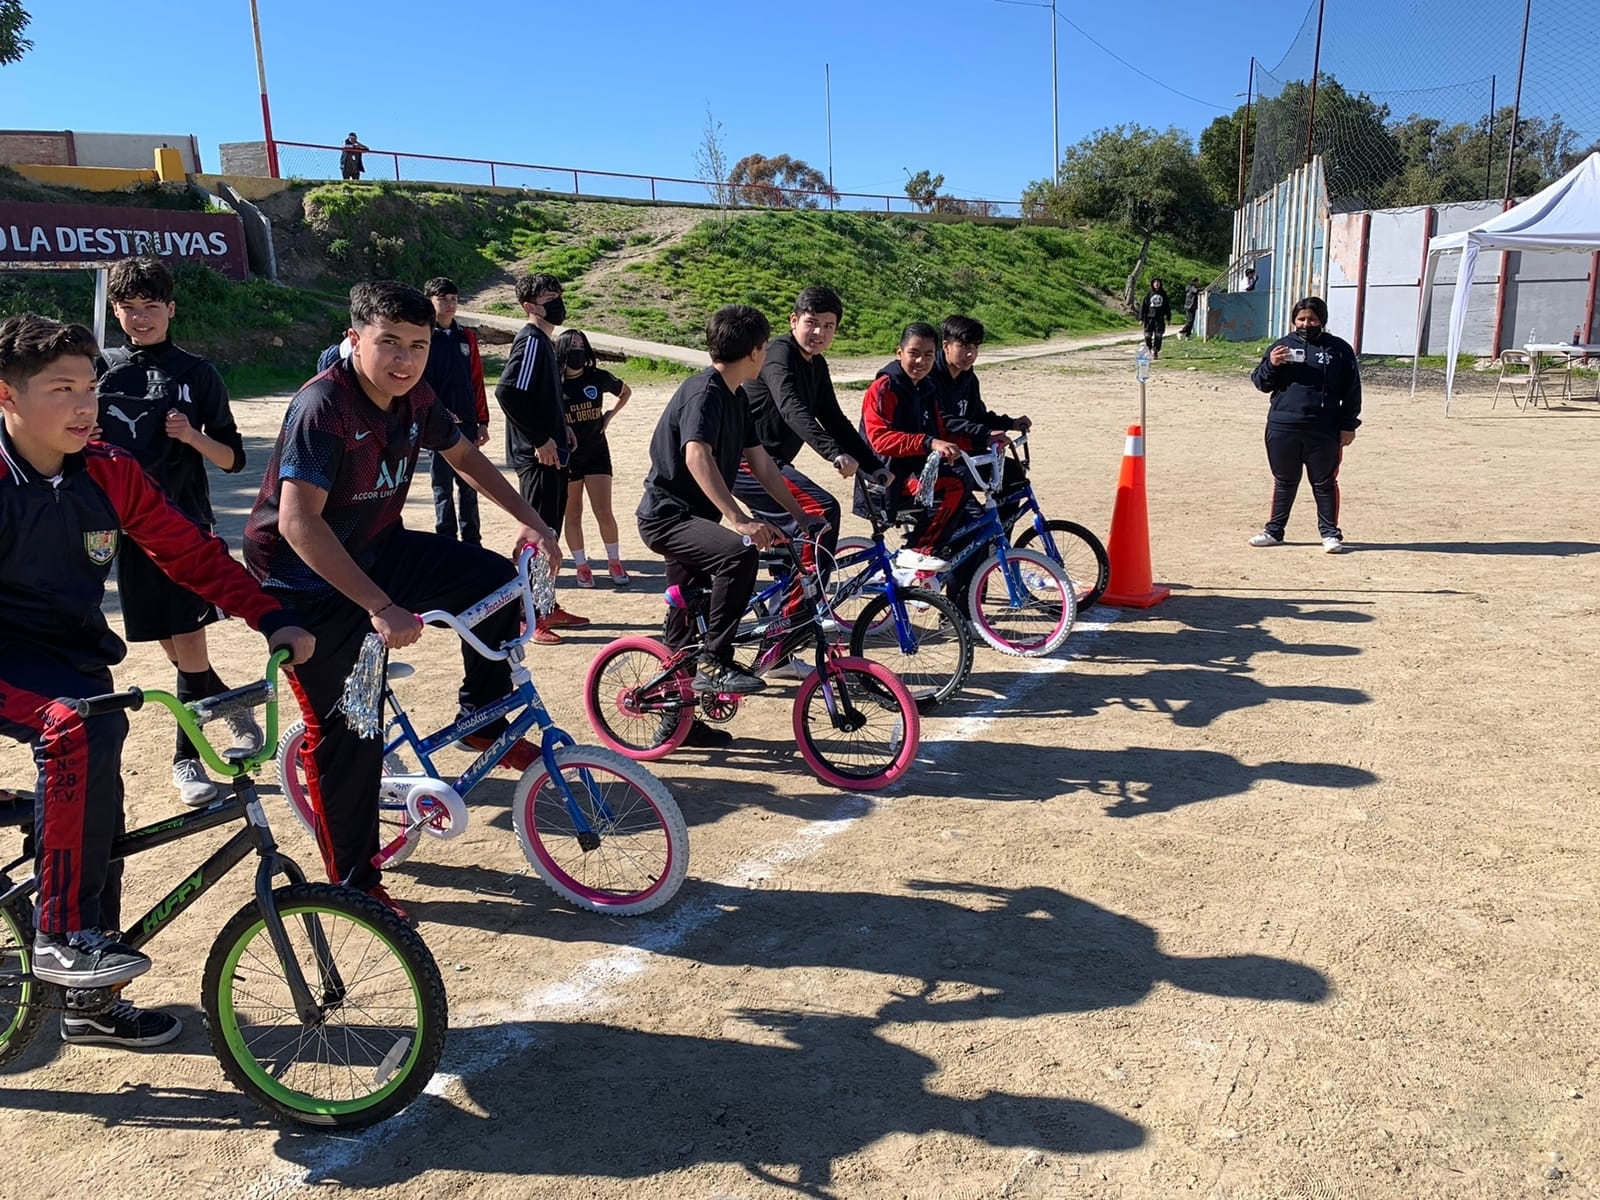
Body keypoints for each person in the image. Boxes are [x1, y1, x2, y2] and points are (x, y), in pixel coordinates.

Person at [0, 313, 313, 1048]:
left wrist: (270, 619)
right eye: (62, 390)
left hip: (69, 658)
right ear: (7, 397)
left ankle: (90, 1001)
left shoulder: (107, 469)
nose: (85, 406)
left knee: (96, 799)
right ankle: (60, 935)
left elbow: (191, 555)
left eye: (91, 388)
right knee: (71, 729)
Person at [243, 281, 560, 923]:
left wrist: (535, 520)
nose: (404, 359)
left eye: (417, 345)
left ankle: (485, 716)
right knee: (351, 732)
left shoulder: (414, 396)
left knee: (496, 583)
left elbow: (465, 456)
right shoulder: (322, 406)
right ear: (356, 338)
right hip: (305, 578)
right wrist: (380, 606)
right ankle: (354, 881)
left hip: (376, 546)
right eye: (389, 342)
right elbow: (300, 525)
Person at [95, 256, 259, 807]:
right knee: (171, 643)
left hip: (183, 525)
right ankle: (233, 704)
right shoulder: (99, 370)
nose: (141, 319)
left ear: (171, 309)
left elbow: (234, 458)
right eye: (129, 308)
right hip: (124, 531)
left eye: (151, 307)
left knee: (187, 642)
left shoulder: (198, 373)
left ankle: (186, 761)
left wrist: (192, 436)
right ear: (116, 310)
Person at [636, 305, 818, 706]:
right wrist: (739, 520)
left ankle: (678, 714)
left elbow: (763, 465)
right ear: (755, 351)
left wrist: (800, 515)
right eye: (766, 347)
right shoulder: (704, 392)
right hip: (668, 518)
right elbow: (696, 455)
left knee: (687, 615)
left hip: (694, 520)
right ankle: (715, 662)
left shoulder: (736, 398)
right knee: (739, 555)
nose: (767, 354)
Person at [734, 286, 882, 589]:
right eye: (811, 323)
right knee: (821, 511)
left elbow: (834, 420)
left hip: (769, 463)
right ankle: (808, 608)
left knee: (784, 538)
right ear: (793, 321)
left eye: (828, 326)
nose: (819, 332)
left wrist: (874, 466)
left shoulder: (816, 364)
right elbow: (791, 408)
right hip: (744, 460)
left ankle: (784, 606)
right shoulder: (779, 355)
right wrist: (833, 454)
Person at [495, 272, 588, 642]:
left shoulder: (545, 343)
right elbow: (508, 393)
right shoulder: (531, 341)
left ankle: (545, 605)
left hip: (553, 452)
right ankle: (523, 616)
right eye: (549, 296)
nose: (557, 300)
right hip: (537, 458)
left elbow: (538, 397)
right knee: (536, 534)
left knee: (549, 532)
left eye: (558, 293)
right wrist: (539, 440)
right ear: (529, 306)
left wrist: (560, 426)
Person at [1247, 295, 1361, 554]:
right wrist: (1272, 364)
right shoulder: (1281, 347)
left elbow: (1352, 390)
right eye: (1301, 319)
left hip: (1324, 428)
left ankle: (1330, 534)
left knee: (1324, 482)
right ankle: (1274, 531)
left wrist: (1348, 425)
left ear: (1322, 320)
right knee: (1284, 480)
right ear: (1293, 320)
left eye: (1312, 319)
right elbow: (1261, 383)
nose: (1306, 324)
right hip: (1283, 425)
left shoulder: (1338, 350)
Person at [859, 323, 965, 569]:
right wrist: (929, 442)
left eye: (928, 355)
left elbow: (942, 431)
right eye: (914, 353)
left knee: (967, 505)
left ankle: (933, 577)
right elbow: (880, 439)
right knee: (955, 485)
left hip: (916, 469)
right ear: (899, 353)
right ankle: (916, 550)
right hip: (886, 476)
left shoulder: (927, 388)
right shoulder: (884, 387)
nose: (921, 361)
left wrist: (986, 438)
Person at [929, 314, 1031, 519]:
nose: (971, 354)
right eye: (965, 346)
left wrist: (1010, 422)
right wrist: (986, 433)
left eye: (975, 347)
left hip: (964, 451)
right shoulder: (929, 377)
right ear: (946, 345)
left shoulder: (968, 377)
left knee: (1013, 474)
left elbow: (978, 415)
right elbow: (945, 420)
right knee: (970, 514)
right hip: (939, 456)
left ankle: (999, 544)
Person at [555, 329, 631, 587]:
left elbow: (625, 391)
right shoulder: (554, 382)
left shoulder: (596, 377)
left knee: (603, 511)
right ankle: (581, 565)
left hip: (597, 452)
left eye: (581, 345)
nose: (577, 350)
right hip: (568, 457)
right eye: (572, 345)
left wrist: (610, 415)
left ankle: (614, 561)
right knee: (573, 511)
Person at [422, 276, 490, 544]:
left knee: (470, 484)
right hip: (436, 424)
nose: (449, 304)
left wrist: (482, 421)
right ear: (430, 301)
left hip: (468, 424)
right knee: (442, 486)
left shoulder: (466, 337)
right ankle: (446, 540)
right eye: (442, 299)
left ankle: (473, 541)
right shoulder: (423, 336)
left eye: (453, 299)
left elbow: (477, 380)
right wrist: (435, 411)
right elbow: (418, 382)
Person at [1139, 278, 1170, 359]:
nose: (1157, 284)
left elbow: (1167, 307)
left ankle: (1155, 351)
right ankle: (1149, 348)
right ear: (1152, 284)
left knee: (1158, 336)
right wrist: (1141, 318)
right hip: (1149, 318)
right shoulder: (1149, 294)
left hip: (1159, 318)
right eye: (1155, 283)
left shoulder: (1163, 294)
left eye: (1158, 282)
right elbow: (1144, 306)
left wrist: (1168, 317)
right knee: (1147, 336)